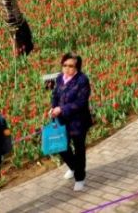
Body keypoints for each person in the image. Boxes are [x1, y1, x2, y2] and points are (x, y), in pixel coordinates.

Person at [50, 52, 93, 191]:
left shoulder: (82, 80)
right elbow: (55, 95)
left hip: (78, 121)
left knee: (79, 149)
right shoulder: (59, 78)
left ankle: (80, 178)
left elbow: (80, 102)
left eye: (71, 66)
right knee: (61, 147)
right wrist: (53, 108)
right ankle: (74, 167)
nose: (67, 69)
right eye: (65, 65)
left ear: (77, 67)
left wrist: (61, 109)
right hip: (62, 120)